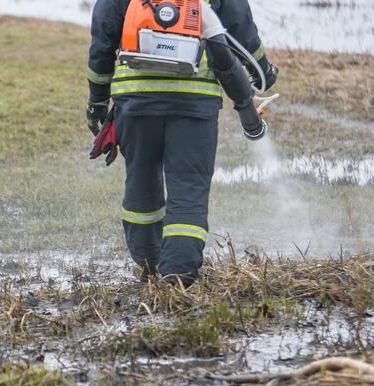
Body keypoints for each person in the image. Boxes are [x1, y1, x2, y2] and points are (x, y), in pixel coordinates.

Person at [86, 0, 278, 286]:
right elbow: (240, 28)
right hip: (194, 103)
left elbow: (103, 38)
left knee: (141, 184)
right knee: (188, 189)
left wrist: (97, 102)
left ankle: (149, 265)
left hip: (136, 100)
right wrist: (263, 69)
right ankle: (178, 276)